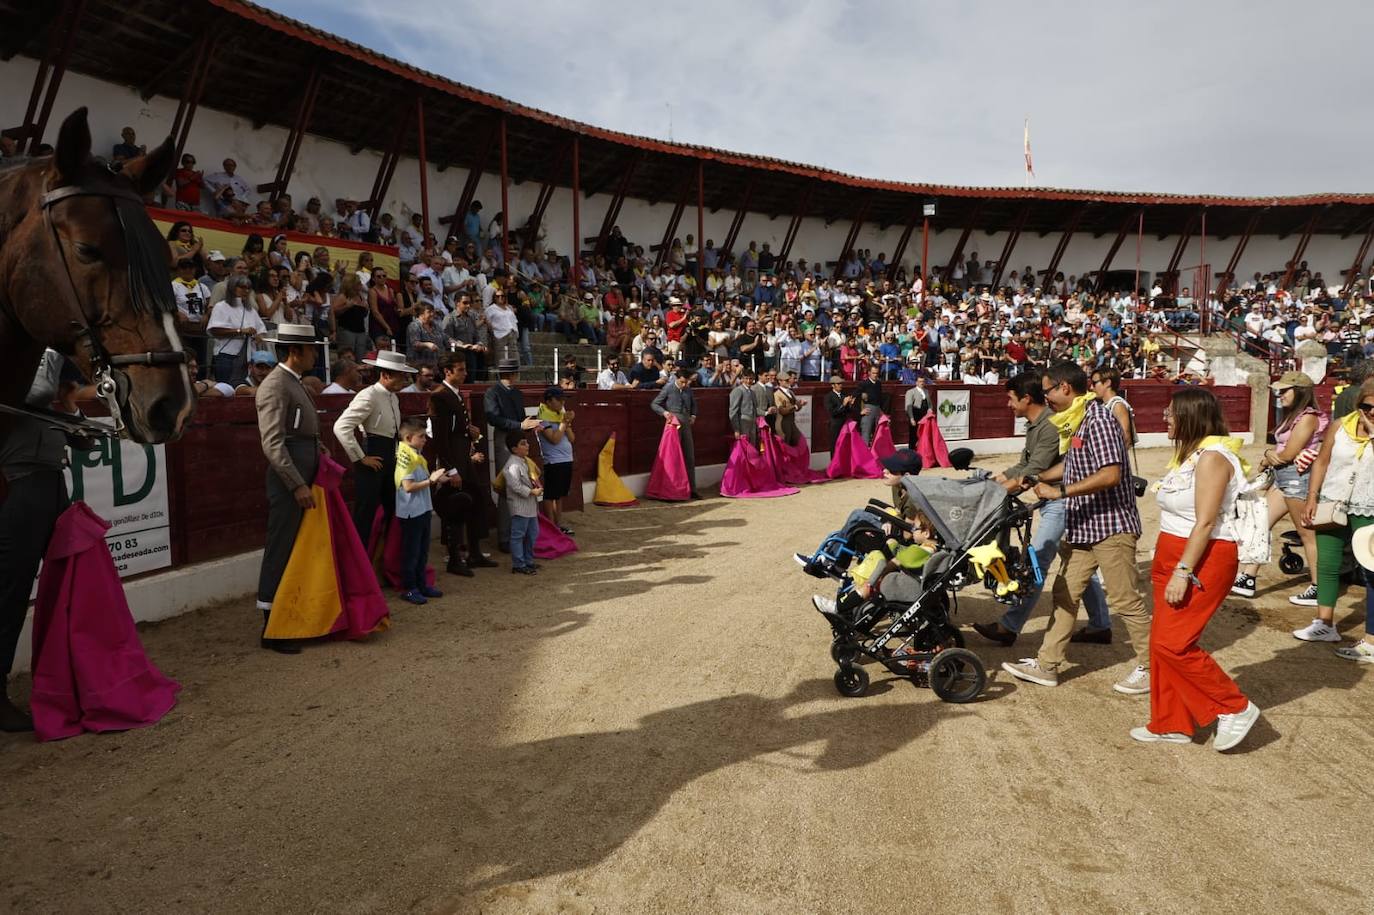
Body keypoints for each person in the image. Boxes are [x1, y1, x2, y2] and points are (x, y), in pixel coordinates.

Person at [1003, 361, 1152, 694]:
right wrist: (1037, 476)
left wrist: (1060, 491)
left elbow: (1111, 473)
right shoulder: (1079, 420)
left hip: (1111, 526)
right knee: (1065, 593)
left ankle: (1153, 667)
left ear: (1064, 388)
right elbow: (1075, 463)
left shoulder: (1098, 420)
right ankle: (1048, 664)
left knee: (1126, 600)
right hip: (1085, 525)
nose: (1046, 398)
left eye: (1047, 391)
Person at [1133, 388, 1260, 749]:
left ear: (1190, 416)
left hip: (1202, 556)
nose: (1164, 417)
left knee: (1172, 644)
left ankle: (1234, 706)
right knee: (1161, 643)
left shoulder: (1213, 458)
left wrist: (1182, 570)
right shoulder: (1192, 455)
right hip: (1175, 552)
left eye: (1171, 413)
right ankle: (1170, 722)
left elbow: (1205, 523)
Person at [975, 373, 1112, 647]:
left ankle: (1010, 625)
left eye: (1011, 399)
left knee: (1037, 560)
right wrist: (995, 482)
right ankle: (1100, 625)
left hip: (1062, 500)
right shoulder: (1037, 424)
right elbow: (1023, 466)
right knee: (1076, 560)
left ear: (1026, 398)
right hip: (1058, 500)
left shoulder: (1048, 424)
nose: (1008, 405)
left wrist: (1001, 489)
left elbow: (1033, 471)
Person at [0, 352, 81, 729]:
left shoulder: (48, 403)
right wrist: (50, 349)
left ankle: (61, 677)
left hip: (52, 485)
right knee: (11, 592)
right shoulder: (16, 387)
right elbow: (38, 390)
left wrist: (68, 402)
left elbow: (85, 445)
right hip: (22, 486)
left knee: (65, 584)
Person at [253, 324, 326, 655]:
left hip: (302, 471)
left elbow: (300, 431)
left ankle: (288, 616)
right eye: (311, 349)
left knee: (294, 546)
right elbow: (272, 443)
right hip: (289, 480)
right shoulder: (275, 386)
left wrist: (318, 450)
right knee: (281, 546)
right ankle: (272, 627)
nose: (315, 354)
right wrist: (296, 483)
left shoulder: (291, 382)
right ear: (295, 352)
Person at [1232, 371, 1325, 603]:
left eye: (1284, 390)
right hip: (1284, 478)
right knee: (1260, 524)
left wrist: (1268, 455)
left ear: (1300, 392)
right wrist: (1270, 455)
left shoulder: (1308, 417)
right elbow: (1281, 454)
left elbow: (1289, 454)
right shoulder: (1293, 416)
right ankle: (1248, 577)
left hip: (1297, 478)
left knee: (1307, 534)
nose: (1279, 395)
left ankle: (1319, 587)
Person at [1298, 376, 1374, 652]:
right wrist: (1311, 497)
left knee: (1372, 571)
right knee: (1328, 565)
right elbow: (1322, 462)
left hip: (1369, 507)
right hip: (1333, 502)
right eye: (1367, 406)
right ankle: (1325, 624)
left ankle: (1372, 641)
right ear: (1359, 403)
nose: (1372, 413)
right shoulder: (1340, 427)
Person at [333, 349, 416, 550]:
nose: (404, 381)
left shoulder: (392, 397)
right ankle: (361, 567)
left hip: (389, 456)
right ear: (386, 375)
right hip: (373, 457)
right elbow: (341, 426)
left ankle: (385, 562)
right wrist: (361, 458)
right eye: (400, 376)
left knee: (392, 511)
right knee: (365, 514)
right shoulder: (368, 395)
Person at [429, 354, 497, 574]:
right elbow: (440, 439)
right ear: (447, 371)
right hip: (454, 462)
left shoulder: (452, 394)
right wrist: (451, 469)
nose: (465, 373)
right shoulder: (440, 396)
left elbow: (456, 429)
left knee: (475, 501)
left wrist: (470, 433)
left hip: (463, 459)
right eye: (460, 369)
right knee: (456, 506)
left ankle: (475, 553)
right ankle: (455, 559)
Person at [484, 358, 543, 550]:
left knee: (522, 483)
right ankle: (505, 537)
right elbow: (493, 419)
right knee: (509, 487)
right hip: (504, 440)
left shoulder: (515, 393)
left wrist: (530, 426)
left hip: (517, 439)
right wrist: (520, 425)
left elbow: (520, 419)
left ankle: (517, 534)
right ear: (512, 374)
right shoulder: (492, 393)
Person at [394, 417, 448, 606]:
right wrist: (431, 481)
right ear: (408, 438)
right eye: (422, 436)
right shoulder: (405, 457)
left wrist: (436, 480)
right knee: (412, 552)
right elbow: (408, 487)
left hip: (422, 508)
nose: (425, 439)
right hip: (411, 511)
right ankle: (410, 588)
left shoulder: (414, 454)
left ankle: (421, 584)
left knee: (422, 551)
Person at [651, 369, 700, 499]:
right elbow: (654, 404)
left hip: (686, 425)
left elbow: (694, 405)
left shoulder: (688, 389)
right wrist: (665, 413)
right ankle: (673, 489)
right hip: (673, 426)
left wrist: (693, 415)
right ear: (677, 378)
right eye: (682, 382)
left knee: (689, 456)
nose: (684, 385)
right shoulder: (668, 388)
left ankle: (692, 489)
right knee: (673, 458)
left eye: (686, 382)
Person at [536, 387, 576, 536]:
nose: (562, 402)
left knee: (559, 495)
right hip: (553, 461)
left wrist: (567, 422)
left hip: (566, 459)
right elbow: (554, 439)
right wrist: (564, 423)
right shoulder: (543, 419)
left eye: (562, 400)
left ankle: (558, 524)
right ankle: (551, 525)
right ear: (548, 401)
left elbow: (572, 439)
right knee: (550, 495)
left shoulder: (559, 416)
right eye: (558, 400)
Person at [503, 433, 543, 575]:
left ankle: (528, 560)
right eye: (523, 444)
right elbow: (515, 486)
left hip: (529, 505)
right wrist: (532, 492)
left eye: (526, 442)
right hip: (519, 505)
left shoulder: (523, 461)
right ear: (514, 449)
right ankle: (518, 564)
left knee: (533, 533)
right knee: (518, 535)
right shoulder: (512, 464)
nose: (527, 445)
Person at [729, 367, 763, 445]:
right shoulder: (738, 391)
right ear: (742, 379)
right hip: (743, 422)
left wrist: (767, 412)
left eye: (750, 379)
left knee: (752, 445)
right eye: (746, 378)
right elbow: (733, 411)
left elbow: (755, 409)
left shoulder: (752, 392)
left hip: (752, 423)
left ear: (753, 379)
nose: (748, 381)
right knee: (744, 445)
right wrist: (736, 429)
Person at [824, 374, 857, 452]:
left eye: (841, 383)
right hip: (835, 424)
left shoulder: (843, 395)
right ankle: (834, 463)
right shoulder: (828, 397)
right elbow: (832, 412)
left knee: (844, 445)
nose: (841, 385)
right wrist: (843, 404)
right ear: (833, 385)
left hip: (844, 424)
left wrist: (850, 405)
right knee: (835, 445)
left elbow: (848, 411)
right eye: (838, 384)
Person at [857, 363, 884, 446]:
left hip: (877, 409)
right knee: (866, 433)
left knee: (877, 434)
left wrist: (881, 411)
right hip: (868, 409)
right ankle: (865, 456)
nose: (875, 375)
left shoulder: (879, 383)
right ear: (869, 373)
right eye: (873, 373)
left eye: (876, 373)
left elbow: (879, 398)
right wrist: (860, 410)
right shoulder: (864, 384)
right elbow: (856, 397)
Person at [904, 376, 929, 449]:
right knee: (913, 435)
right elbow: (908, 406)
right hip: (915, 415)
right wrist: (911, 418)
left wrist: (930, 410)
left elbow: (929, 405)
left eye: (923, 381)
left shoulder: (926, 391)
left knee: (924, 435)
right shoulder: (910, 392)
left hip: (924, 417)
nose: (922, 383)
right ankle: (912, 453)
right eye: (920, 381)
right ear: (916, 383)